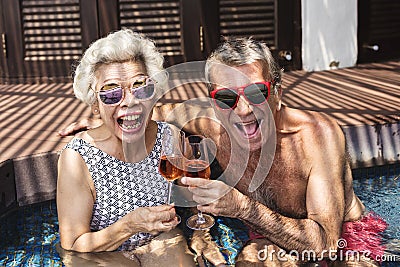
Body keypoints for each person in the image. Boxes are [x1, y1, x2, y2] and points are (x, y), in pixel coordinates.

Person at [59, 37, 387, 266]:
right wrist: (101, 117)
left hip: (342, 237)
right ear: (213, 100)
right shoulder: (210, 123)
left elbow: (325, 245)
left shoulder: (318, 137)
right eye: (227, 97)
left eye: (257, 92)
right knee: (250, 261)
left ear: (278, 92)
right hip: (269, 235)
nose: (243, 109)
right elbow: (152, 111)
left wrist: (240, 206)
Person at [56, 29, 195, 266]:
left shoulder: (170, 138)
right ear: (96, 106)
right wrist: (129, 225)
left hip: (160, 244)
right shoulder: (77, 158)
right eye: (111, 93)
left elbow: (194, 201)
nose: (130, 101)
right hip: (103, 255)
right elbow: (72, 245)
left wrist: (201, 235)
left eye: (141, 86)